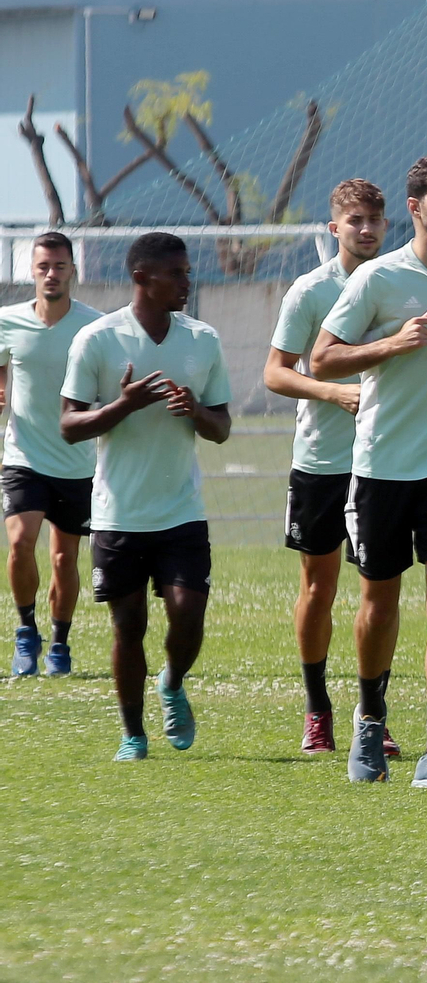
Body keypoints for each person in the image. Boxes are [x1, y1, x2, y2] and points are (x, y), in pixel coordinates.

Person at [311, 154, 427, 788]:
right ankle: (368, 719)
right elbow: (322, 360)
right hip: (383, 466)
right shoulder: (378, 279)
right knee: (379, 601)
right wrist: (392, 343)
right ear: (415, 209)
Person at [60, 233, 231, 760]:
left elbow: (221, 427)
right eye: (176, 273)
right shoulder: (97, 339)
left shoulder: (203, 339)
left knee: (187, 614)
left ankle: (173, 682)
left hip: (181, 510)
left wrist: (195, 411)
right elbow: (69, 425)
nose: (186, 282)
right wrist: (123, 405)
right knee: (128, 625)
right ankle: (133, 734)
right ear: (142, 278)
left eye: (187, 272)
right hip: (118, 513)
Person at [263, 179, 387, 755]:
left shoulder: (398, 285)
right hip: (319, 462)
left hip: (383, 462)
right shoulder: (309, 292)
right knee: (319, 587)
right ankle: (317, 708)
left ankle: (372, 713)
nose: (365, 230)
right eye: (355, 220)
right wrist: (331, 393)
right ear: (334, 227)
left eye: (374, 221)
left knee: (377, 591)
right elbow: (275, 372)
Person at [1, 233, 101, 677]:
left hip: (77, 462)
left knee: (65, 558)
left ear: (72, 271)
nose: (51, 274)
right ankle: (26, 633)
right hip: (23, 456)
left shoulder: (94, 326)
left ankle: (59, 642)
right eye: (43, 266)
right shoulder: (9, 321)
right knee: (21, 542)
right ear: (32, 271)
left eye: (59, 266)